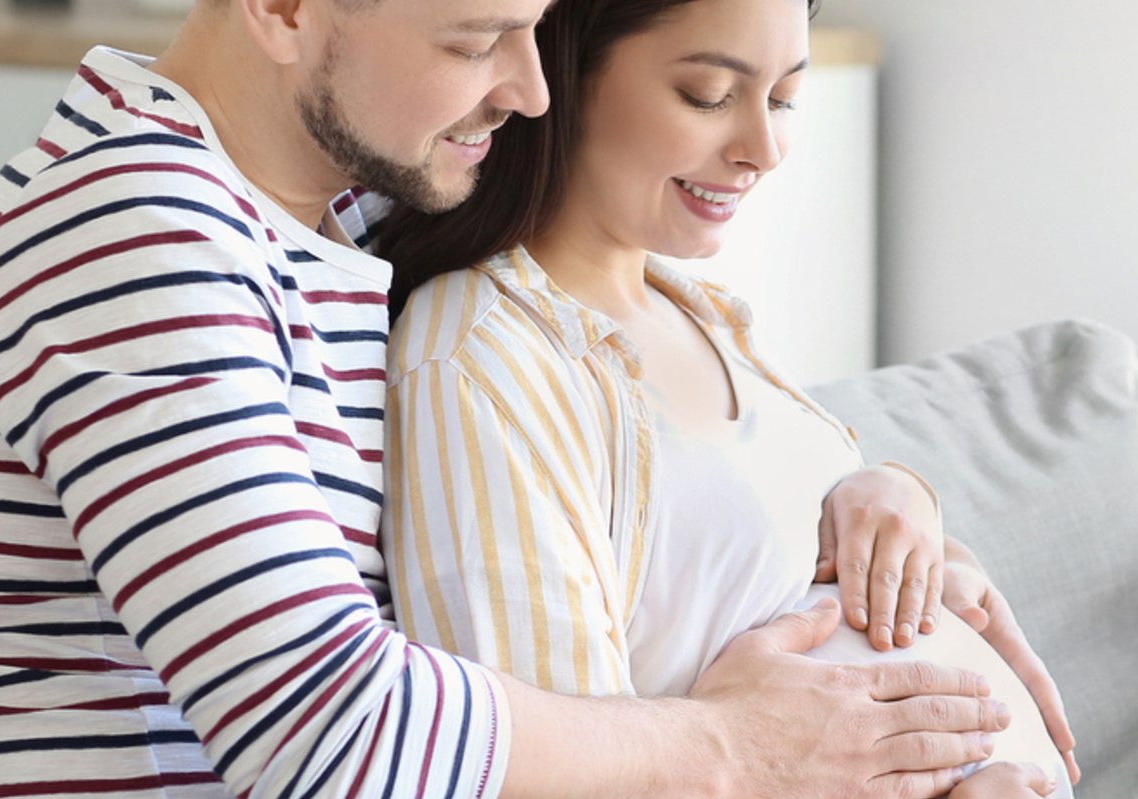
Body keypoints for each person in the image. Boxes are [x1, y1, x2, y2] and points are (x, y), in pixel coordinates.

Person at [0, 0, 1044, 795]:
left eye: (534, 27)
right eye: (477, 37)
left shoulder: (342, 215)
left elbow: (638, 465)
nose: (532, 91)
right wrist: (734, 747)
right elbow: (327, 731)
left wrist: (871, 503)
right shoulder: (126, 238)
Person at [368, 0, 1077, 794]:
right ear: (559, 71)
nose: (763, 150)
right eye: (708, 95)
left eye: (784, 99)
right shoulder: (481, 356)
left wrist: (899, 501)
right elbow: (543, 775)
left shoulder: (700, 312)